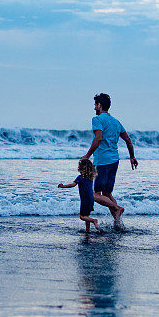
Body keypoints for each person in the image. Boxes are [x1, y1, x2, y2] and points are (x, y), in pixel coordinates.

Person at [81, 93, 138, 221]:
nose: (94, 108)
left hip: (103, 161)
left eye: (95, 105)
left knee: (94, 194)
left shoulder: (97, 119)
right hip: (114, 161)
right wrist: (132, 157)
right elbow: (128, 140)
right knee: (107, 193)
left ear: (99, 105)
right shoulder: (116, 122)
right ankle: (118, 223)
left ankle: (117, 208)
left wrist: (87, 155)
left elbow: (98, 138)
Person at [58, 159, 101, 233]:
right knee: (86, 215)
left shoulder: (80, 177)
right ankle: (88, 231)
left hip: (85, 199)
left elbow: (72, 185)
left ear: (81, 168)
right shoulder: (90, 177)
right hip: (91, 198)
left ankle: (94, 220)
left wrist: (63, 186)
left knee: (82, 217)